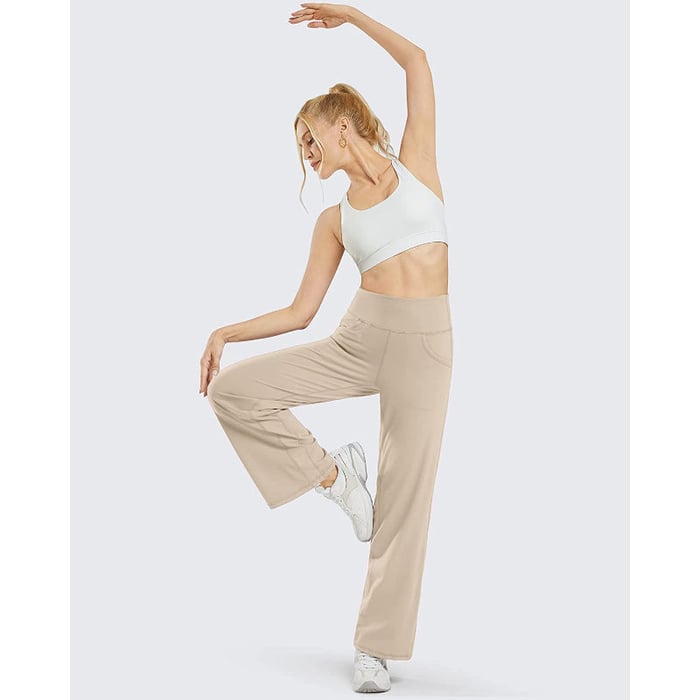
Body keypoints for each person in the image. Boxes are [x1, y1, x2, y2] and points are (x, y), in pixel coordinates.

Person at [199, 3, 452, 693]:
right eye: (301, 148)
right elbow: (300, 312)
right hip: (360, 336)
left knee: (406, 500)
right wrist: (224, 332)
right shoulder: (334, 220)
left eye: (310, 139)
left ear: (342, 124)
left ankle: (374, 648)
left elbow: (417, 61)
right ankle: (337, 480)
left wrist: (351, 16)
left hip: (428, 345)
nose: (308, 155)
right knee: (233, 392)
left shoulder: (417, 164)